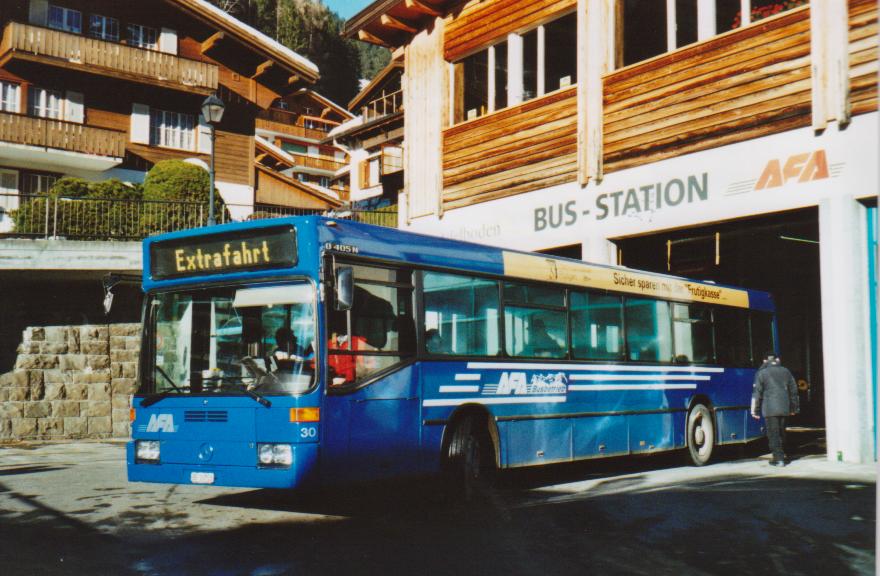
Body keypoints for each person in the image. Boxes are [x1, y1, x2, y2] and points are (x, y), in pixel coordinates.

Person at [751, 352, 799, 467]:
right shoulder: (786, 371)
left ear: (764, 361)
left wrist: (755, 411)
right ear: (777, 360)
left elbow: (756, 393)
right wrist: (793, 408)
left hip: (770, 408)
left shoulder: (762, 373)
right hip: (784, 407)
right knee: (782, 432)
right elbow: (793, 391)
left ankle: (778, 459)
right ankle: (783, 455)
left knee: (773, 434)